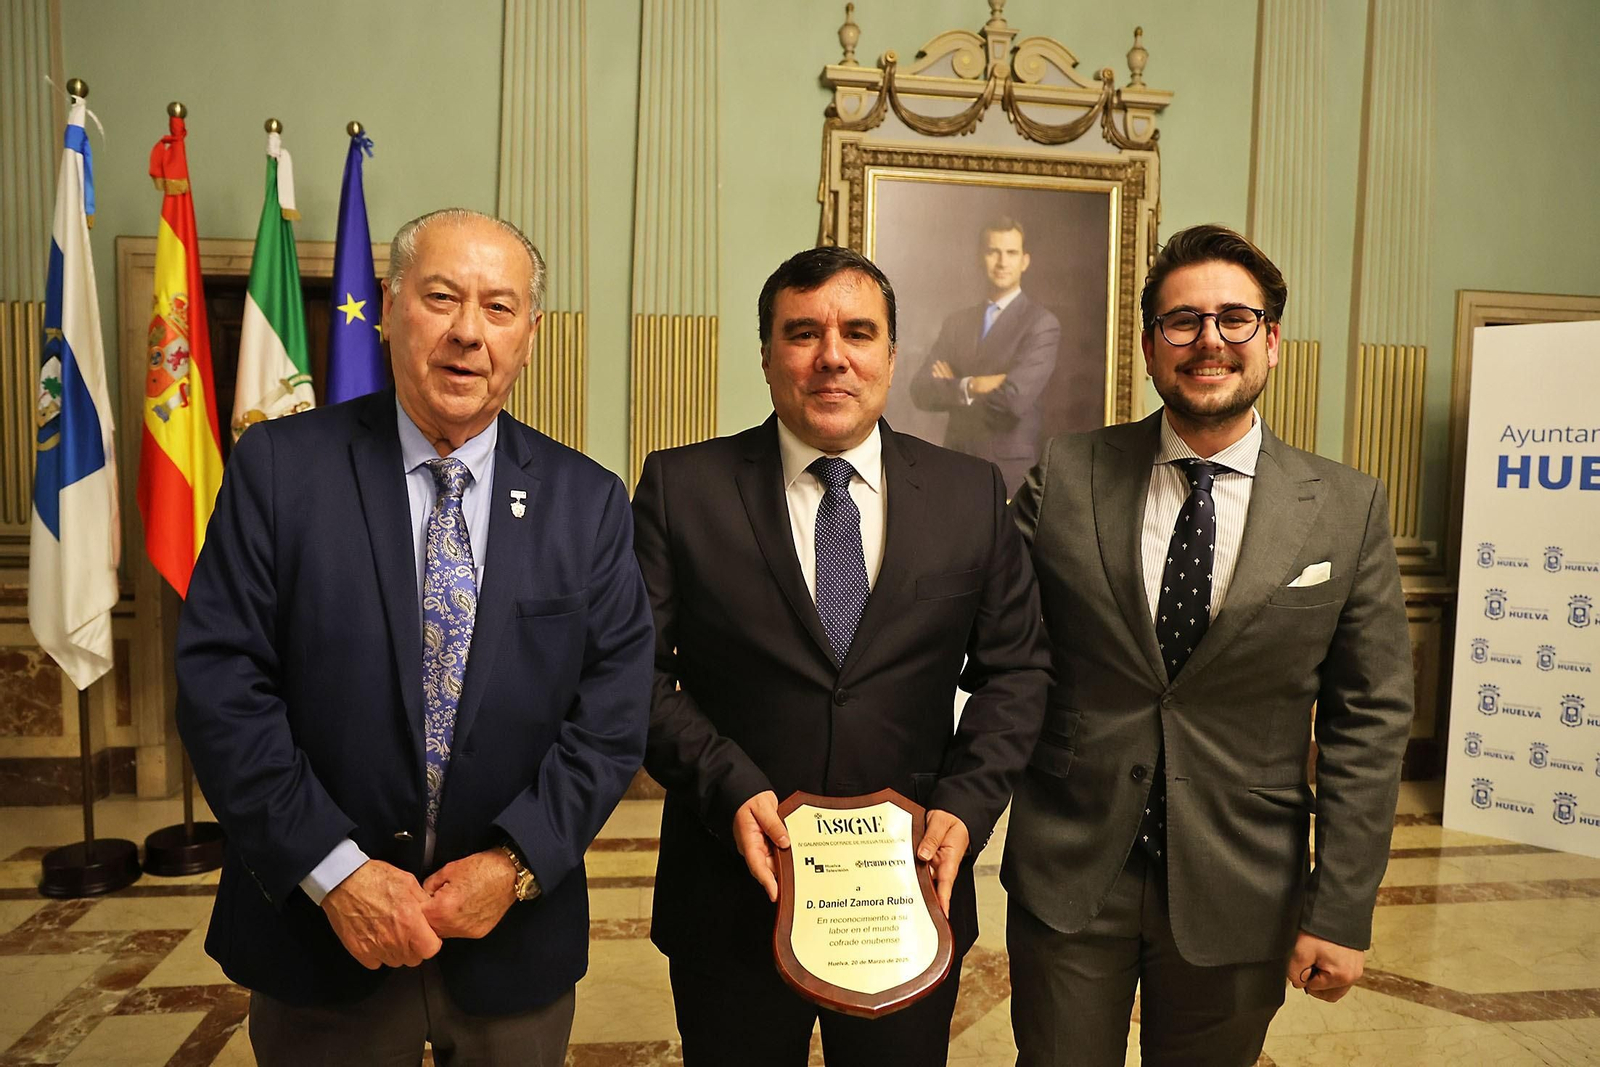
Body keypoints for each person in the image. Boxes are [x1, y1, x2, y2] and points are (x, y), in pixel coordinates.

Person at [175, 208, 653, 1066]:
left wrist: (514, 864)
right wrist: (334, 872)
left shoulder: (589, 502)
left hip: (514, 943)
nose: (469, 332)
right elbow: (222, 687)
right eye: (441, 297)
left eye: (499, 308)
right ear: (390, 308)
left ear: (529, 336)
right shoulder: (279, 470)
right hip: (319, 941)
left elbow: (613, 711)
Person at [1003, 224, 1414, 1066]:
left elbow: (1367, 721)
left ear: (1270, 340)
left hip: (1243, 883)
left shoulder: (1347, 507)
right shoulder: (1066, 473)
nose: (1209, 342)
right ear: (1151, 347)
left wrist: (1340, 908)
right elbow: (998, 650)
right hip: (1073, 868)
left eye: (1235, 319)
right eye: (1182, 322)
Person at [633, 245, 1051, 1066]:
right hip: (731, 892)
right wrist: (730, 787)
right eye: (803, 333)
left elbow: (1018, 671)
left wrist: (965, 809)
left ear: (891, 356)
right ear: (766, 354)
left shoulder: (970, 495)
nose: (832, 355)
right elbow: (634, 673)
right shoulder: (683, 488)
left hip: (908, 899)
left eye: (859, 332)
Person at [909, 217, 1061, 495]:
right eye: (994, 252)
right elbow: (920, 390)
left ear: (1025, 261)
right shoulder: (957, 322)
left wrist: (954, 385)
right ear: (981, 257)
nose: (1002, 262)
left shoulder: (1041, 323)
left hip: (1008, 472)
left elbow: (1013, 400)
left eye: (1011, 253)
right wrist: (974, 385)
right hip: (954, 462)